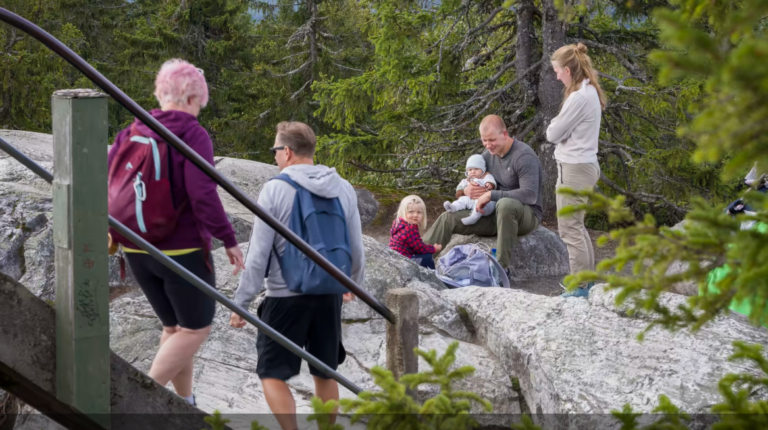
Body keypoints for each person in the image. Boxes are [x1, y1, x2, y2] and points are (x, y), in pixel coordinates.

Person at [108, 59, 245, 405]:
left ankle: (185, 403)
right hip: (180, 251)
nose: (200, 107)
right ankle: (135, 404)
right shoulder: (191, 133)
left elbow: (110, 182)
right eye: (199, 100)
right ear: (191, 97)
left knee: (174, 329)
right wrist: (228, 238)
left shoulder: (133, 130)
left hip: (137, 248)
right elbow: (202, 193)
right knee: (197, 329)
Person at [230, 121, 364, 430]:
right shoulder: (343, 187)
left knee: (272, 373)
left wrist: (241, 302)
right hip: (329, 293)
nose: (275, 156)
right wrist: (350, 284)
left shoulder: (276, 189)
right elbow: (356, 246)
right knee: (325, 372)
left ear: (287, 152)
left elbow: (258, 254)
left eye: (275, 150)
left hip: (285, 295)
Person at [423, 115, 543, 277]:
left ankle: (501, 270)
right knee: (448, 217)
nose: (488, 145)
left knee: (505, 204)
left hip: (525, 214)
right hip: (491, 213)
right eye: (484, 141)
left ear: (505, 134)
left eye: (492, 140)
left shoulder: (523, 156)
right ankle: (419, 260)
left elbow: (530, 195)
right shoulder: (486, 156)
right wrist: (465, 192)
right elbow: (467, 184)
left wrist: (490, 195)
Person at [546, 42, 606, 298]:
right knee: (577, 227)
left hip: (574, 169)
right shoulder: (588, 90)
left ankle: (580, 288)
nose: (556, 75)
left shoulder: (579, 97)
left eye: (558, 70)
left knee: (570, 229)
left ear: (569, 70)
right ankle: (587, 282)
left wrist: (555, 124)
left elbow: (553, 133)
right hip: (583, 166)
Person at [390, 195, 443, 269]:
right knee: (427, 257)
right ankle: (432, 276)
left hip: (394, 257)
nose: (415, 215)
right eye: (411, 212)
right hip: (403, 261)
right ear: (403, 211)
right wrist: (433, 248)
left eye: (419, 212)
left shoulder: (399, 223)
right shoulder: (409, 229)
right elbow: (419, 248)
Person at [442, 154, 497, 225]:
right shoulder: (466, 180)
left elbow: (492, 181)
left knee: (480, 203)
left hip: (483, 200)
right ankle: (453, 207)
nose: (473, 172)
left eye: (476, 169)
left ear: (482, 170)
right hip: (470, 200)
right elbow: (459, 188)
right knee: (462, 200)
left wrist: (490, 184)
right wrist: (461, 191)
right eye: (470, 169)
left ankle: (474, 217)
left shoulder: (486, 176)